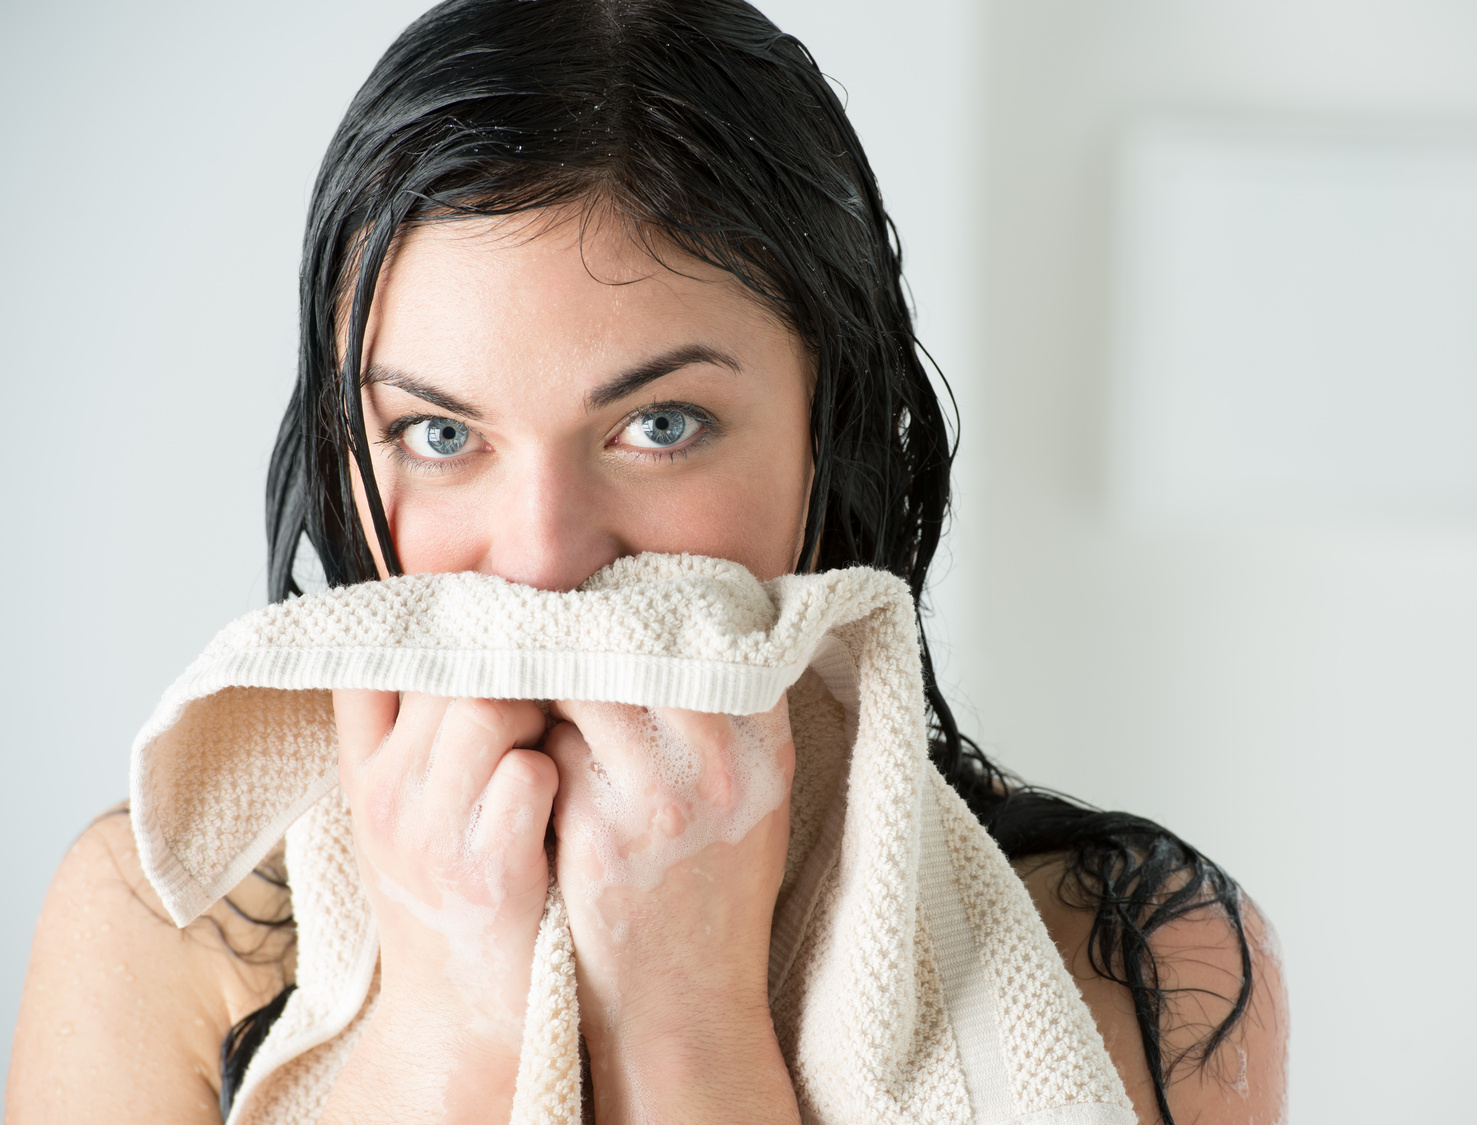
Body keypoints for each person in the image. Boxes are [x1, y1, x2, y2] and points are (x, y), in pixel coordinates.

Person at [8, 1, 1287, 1122]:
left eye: (658, 427)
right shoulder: (161, 925)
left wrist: (682, 1022)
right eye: (441, 433)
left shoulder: (1140, 961)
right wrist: (451, 1013)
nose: (544, 559)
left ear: (826, 435)